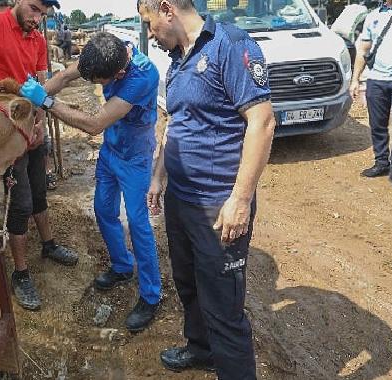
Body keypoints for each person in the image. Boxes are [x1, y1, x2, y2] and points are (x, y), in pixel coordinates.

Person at [138, 0, 276, 378]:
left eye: (150, 24)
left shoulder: (230, 45)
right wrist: (158, 175)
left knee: (223, 306)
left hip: (219, 204)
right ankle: (201, 349)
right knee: (188, 283)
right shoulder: (178, 59)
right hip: (181, 200)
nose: (150, 34)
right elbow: (176, 122)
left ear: (167, 9)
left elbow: (262, 123)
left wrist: (241, 200)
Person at [19, 32, 162, 332]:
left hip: (135, 156)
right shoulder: (101, 53)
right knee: (103, 210)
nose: (97, 85)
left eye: (99, 82)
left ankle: (150, 295)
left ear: (119, 73)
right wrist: (31, 99)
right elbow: (65, 77)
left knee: (138, 223)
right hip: (112, 150)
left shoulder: (143, 75)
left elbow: (94, 124)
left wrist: (44, 102)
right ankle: (122, 266)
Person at [0, 0, 78, 312]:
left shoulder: (36, 37)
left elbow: (40, 82)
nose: (37, 19)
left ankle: (48, 245)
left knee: (39, 189)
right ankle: (20, 273)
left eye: (44, 15)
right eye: (35, 9)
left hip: (32, 123)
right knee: (19, 201)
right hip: (4, 132)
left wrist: (38, 122)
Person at [349, 0, 392, 190]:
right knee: (377, 125)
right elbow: (363, 50)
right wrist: (355, 79)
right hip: (376, 80)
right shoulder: (372, 16)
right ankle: (381, 163)